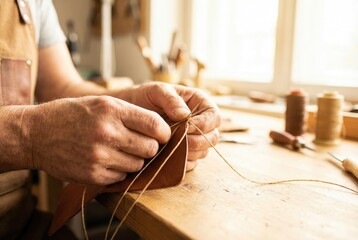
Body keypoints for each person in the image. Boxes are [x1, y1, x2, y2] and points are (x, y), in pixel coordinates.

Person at [0, 0, 221, 239]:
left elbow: (62, 86)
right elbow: (40, 127)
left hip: (18, 224)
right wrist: (33, 135)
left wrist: (131, 100)